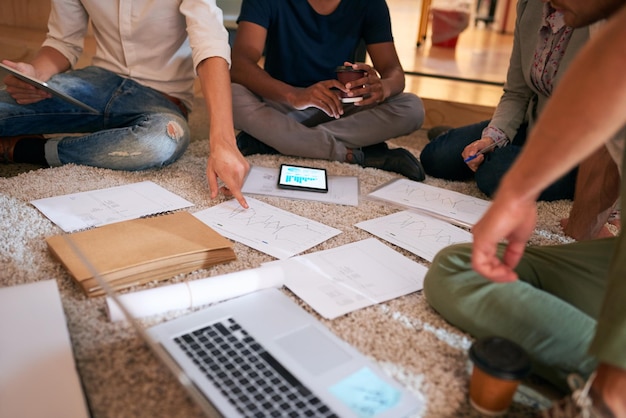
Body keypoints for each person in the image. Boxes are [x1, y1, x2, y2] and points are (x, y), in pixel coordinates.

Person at [424, 0, 626, 416]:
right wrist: (517, 187)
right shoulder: (574, 20)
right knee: (458, 267)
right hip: (535, 137)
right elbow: (522, 90)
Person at [0, 0, 250, 208]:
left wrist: (223, 140)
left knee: (158, 143)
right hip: (96, 84)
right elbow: (62, 42)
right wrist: (34, 72)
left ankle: (25, 149)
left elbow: (210, 44)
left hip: (161, 99)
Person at [229, 0, 426, 182]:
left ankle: (273, 141)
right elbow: (239, 64)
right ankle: (357, 155)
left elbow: (394, 72)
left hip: (341, 107)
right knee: (230, 95)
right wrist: (294, 95)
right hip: (284, 102)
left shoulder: (370, 3)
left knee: (412, 108)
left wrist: (384, 87)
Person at [420, 0, 595, 202]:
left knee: (494, 173)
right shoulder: (530, 5)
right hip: (534, 128)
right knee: (437, 157)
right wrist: (490, 140)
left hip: (577, 152)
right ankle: (484, 144)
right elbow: (517, 93)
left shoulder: (607, 20)